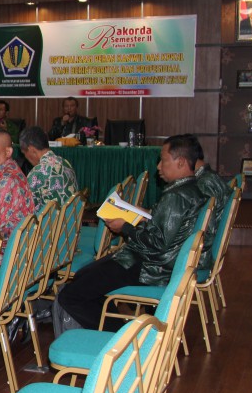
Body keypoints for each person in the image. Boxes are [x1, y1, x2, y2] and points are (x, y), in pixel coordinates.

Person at [58, 134, 208, 330]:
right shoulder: (191, 188)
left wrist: (125, 227)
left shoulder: (177, 196)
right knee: (83, 276)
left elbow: (156, 243)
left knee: (70, 295)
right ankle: (114, 327)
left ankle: (121, 337)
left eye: (163, 161)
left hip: (151, 266)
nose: (158, 167)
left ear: (180, 162)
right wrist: (144, 216)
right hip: (153, 259)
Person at [181, 135, 233, 271]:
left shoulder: (204, 184)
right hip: (203, 251)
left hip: (198, 257)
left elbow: (201, 228)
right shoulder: (208, 177)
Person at [19, 126, 79, 208]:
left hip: (51, 216)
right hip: (71, 215)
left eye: (24, 153)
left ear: (32, 150)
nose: (25, 157)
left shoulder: (37, 173)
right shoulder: (65, 163)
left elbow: (25, 206)